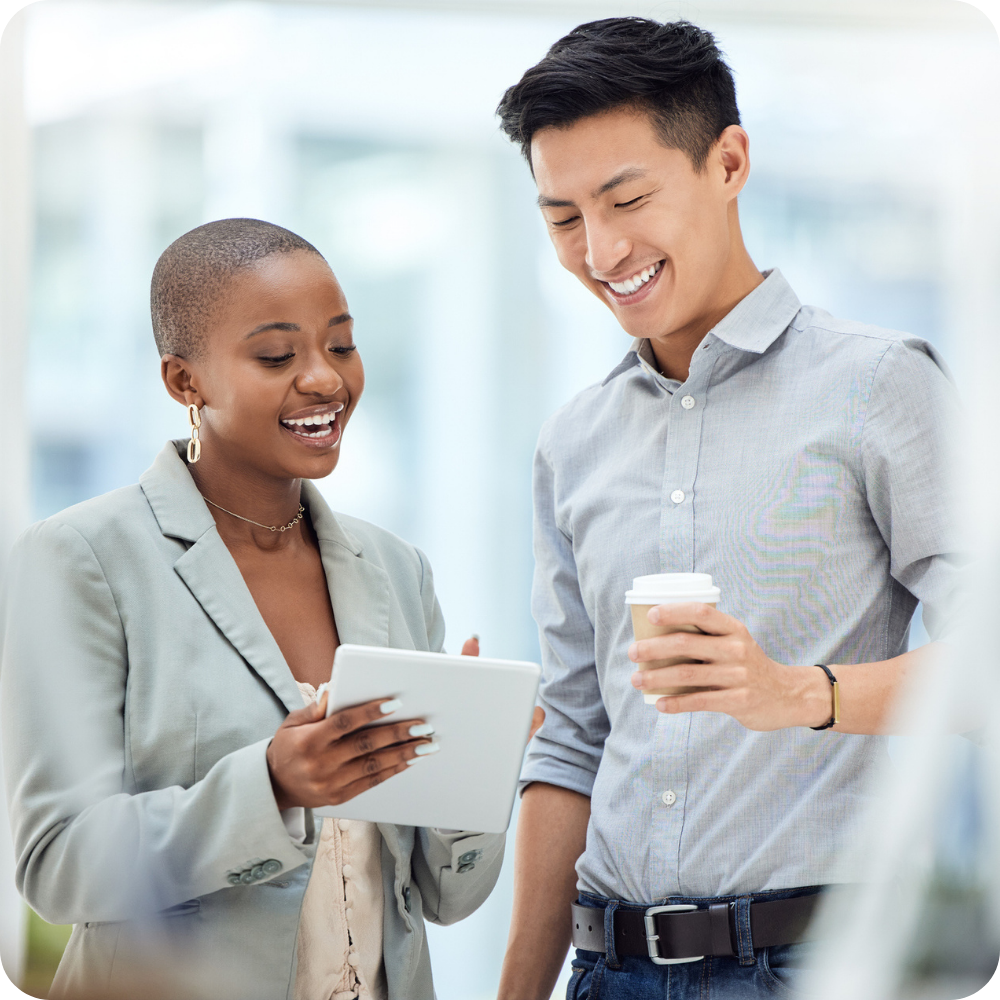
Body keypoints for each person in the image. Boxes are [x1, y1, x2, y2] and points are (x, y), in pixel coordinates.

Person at [493, 18, 959, 1000]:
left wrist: (797, 692)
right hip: (604, 969)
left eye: (627, 198)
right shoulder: (574, 439)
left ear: (728, 162)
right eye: (563, 216)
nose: (601, 248)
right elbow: (572, 737)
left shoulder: (879, 384)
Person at [0, 219, 506, 1000]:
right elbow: (58, 865)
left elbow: (447, 898)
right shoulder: (80, 559)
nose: (325, 380)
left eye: (341, 345)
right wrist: (271, 785)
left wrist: (474, 768)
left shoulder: (398, 570)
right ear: (184, 381)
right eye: (277, 355)